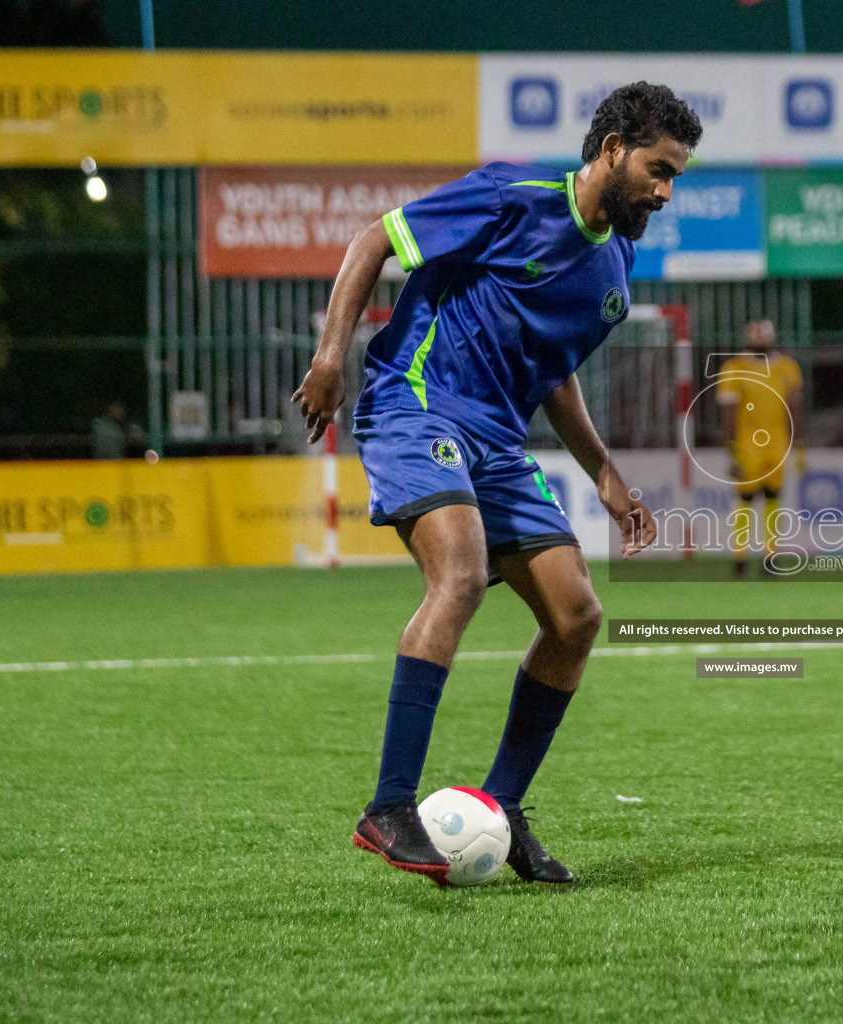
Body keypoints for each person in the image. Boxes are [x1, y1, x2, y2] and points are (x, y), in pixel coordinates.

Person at [292, 83, 702, 886]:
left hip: (496, 438)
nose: (664, 190)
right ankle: (388, 806)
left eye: (676, 177)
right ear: (612, 147)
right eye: (658, 169)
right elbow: (372, 240)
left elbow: (553, 377)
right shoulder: (516, 197)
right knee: (462, 571)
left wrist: (607, 476)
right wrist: (331, 358)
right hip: (415, 401)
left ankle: (503, 809)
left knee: (577, 614)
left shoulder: (616, 264)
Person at [714, 319, 803, 577]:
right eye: (756, 336)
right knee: (746, 498)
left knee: (774, 496)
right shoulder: (734, 367)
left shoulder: (788, 367)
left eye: (765, 335)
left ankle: (771, 556)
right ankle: (740, 557)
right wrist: (731, 446)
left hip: (778, 443)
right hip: (747, 443)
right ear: (747, 338)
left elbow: (795, 407)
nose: (761, 340)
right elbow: (728, 409)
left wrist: (799, 442)